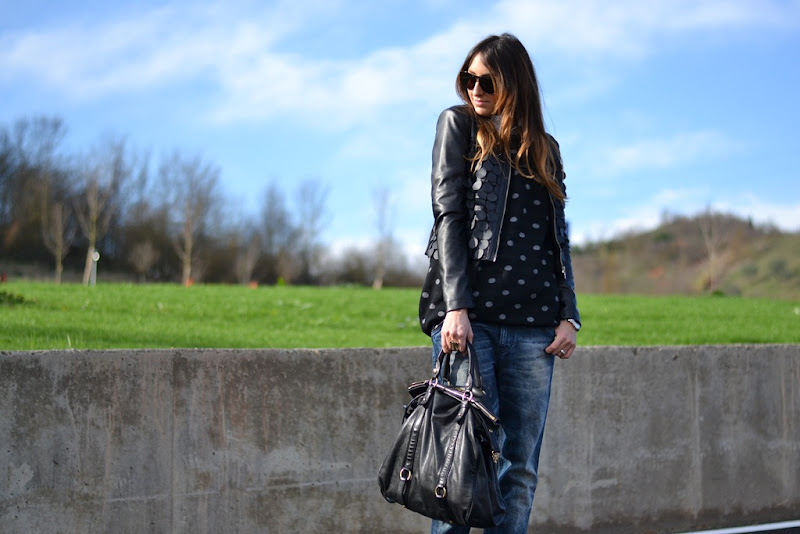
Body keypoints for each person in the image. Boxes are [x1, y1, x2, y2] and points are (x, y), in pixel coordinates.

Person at [418, 33, 581, 534]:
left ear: (514, 83)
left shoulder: (546, 150)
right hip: (471, 321)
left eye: (487, 81)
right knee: (459, 461)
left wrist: (569, 313)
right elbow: (448, 213)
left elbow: (558, 237)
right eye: (468, 78)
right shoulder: (459, 125)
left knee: (520, 467)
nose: (475, 89)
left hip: (535, 328)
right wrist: (455, 307)